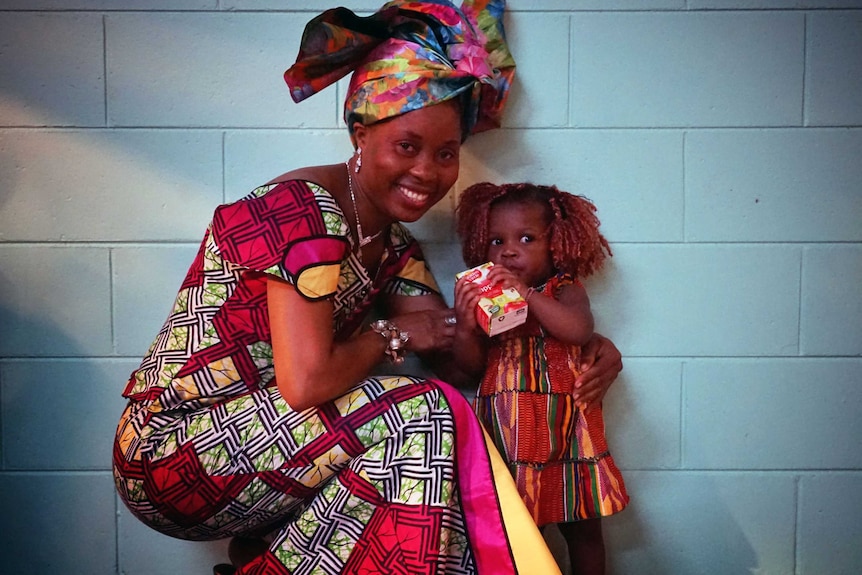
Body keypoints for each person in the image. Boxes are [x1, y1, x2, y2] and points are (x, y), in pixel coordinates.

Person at [112, 2, 623, 574]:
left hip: (269, 462)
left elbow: (457, 363)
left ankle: (264, 562)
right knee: (425, 417)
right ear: (360, 133)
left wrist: (578, 346)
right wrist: (394, 333)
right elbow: (307, 383)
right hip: (171, 452)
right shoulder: (301, 210)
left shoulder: (392, 245)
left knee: (440, 425)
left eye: (446, 153)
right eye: (407, 145)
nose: (428, 171)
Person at [452, 182, 629, 575]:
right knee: (523, 530)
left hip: (567, 435)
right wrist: (465, 327)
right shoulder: (490, 301)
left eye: (526, 238)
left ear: (556, 244)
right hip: (511, 435)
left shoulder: (563, 289)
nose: (508, 250)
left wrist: (528, 295)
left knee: (583, 528)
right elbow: (469, 366)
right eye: (496, 240)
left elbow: (578, 330)